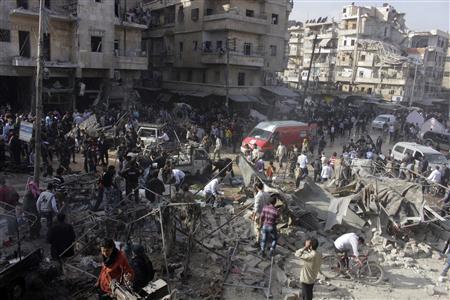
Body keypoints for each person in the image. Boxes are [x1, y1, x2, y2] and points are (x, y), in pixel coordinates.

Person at [252, 181, 269, 247]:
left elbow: (256, 208)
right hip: (266, 213)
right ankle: (264, 239)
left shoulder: (258, 196)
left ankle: (257, 242)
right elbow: (268, 203)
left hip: (259, 214)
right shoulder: (267, 194)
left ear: (257, 187)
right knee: (263, 227)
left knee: (258, 228)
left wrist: (253, 216)